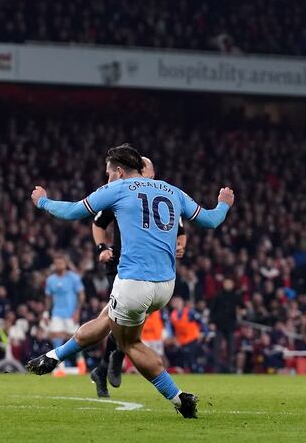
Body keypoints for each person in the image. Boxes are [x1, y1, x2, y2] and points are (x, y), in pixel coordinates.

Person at [25, 144, 234, 418]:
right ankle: (53, 357)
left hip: (135, 283)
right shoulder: (172, 190)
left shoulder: (119, 188)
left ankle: (179, 398)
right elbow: (210, 220)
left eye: (108, 173)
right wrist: (224, 204)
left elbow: (73, 211)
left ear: (119, 171)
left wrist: (42, 201)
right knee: (106, 317)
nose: (107, 178)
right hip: (166, 285)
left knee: (129, 344)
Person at [90, 155, 186, 397]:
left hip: (153, 270)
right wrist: (102, 248)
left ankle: (105, 366)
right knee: (121, 316)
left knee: (124, 319)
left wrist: (180, 245)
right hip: (123, 266)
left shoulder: (165, 198)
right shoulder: (124, 194)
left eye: (149, 171)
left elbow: (181, 230)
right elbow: (98, 223)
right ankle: (113, 361)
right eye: (143, 171)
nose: (147, 176)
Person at [44, 255, 84, 368]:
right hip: (57, 312)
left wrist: (77, 311)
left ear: (65, 264)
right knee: (55, 335)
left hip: (71, 313)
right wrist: (46, 313)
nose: (59, 265)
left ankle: (80, 361)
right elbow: (48, 298)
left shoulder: (74, 278)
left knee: (76, 337)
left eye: (61, 263)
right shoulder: (50, 280)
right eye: (57, 263)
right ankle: (60, 364)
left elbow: (81, 295)